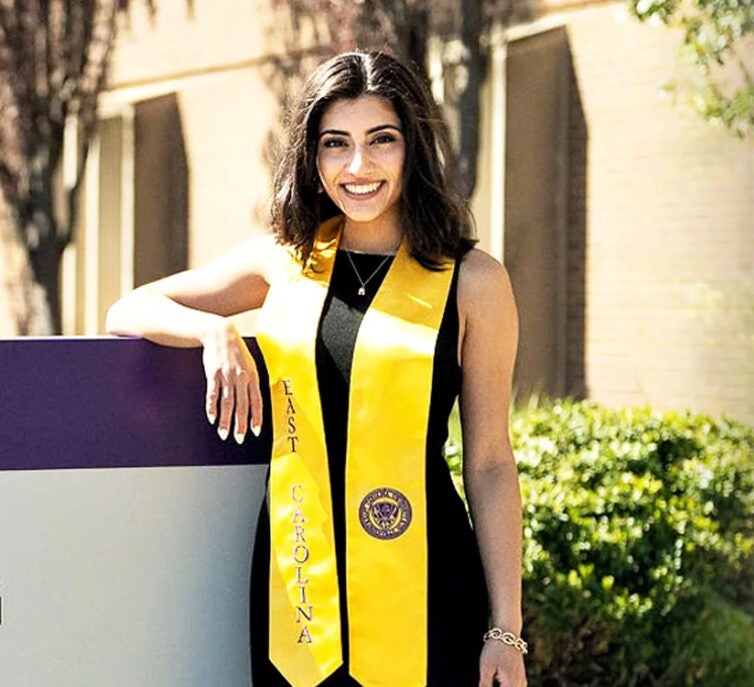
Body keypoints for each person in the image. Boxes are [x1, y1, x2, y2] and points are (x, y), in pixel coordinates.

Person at [107, 50, 526, 687]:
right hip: (298, 597)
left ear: (413, 147)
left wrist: (506, 631)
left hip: (428, 590)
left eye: (380, 140)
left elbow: (491, 461)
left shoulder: (472, 282)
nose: (358, 167)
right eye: (336, 144)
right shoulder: (284, 263)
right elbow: (130, 306)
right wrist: (213, 329)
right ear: (312, 155)